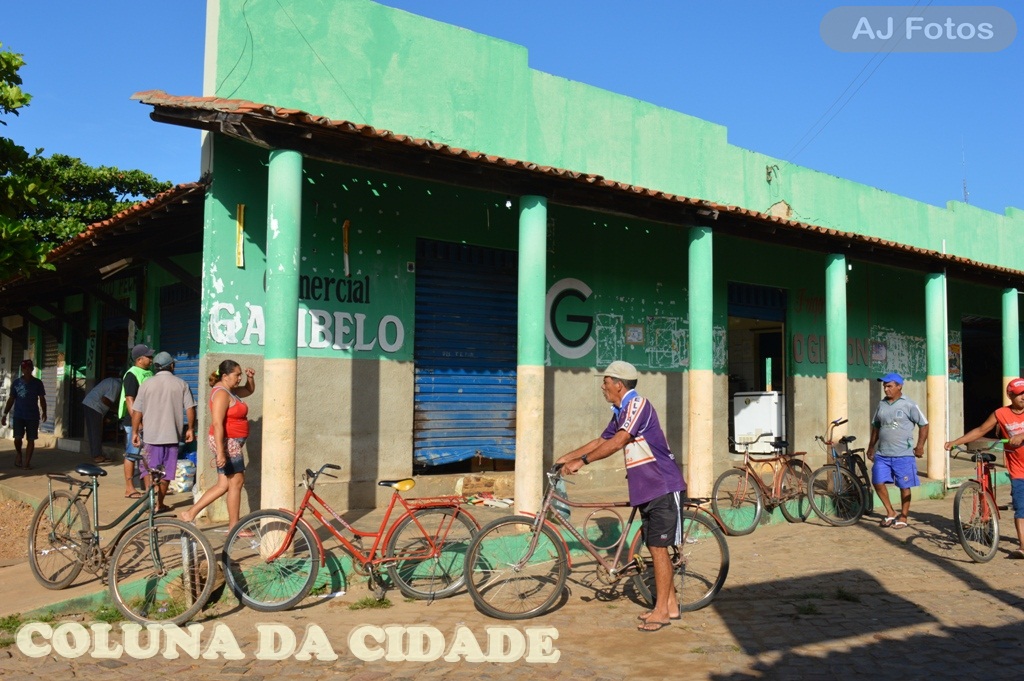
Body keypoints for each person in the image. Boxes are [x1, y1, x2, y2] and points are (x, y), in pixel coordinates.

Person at [556, 360, 686, 632]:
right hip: (646, 488)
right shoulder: (620, 412)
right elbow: (601, 441)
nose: (602, 387)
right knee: (655, 547)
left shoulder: (638, 404)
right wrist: (567, 457)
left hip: (663, 484)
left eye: (605, 382)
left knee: (659, 549)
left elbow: (619, 440)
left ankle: (661, 612)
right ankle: (670, 605)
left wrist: (583, 462)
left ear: (618, 384)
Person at [945, 378, 1024, 559]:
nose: (1023, 397)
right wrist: (956, 442)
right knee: (1021, 507)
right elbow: (981, 430)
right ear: (1010, 395)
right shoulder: (1000, 414)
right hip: (1018, 469)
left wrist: (1021, 435)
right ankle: (1023, 547)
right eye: (1019, 394)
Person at [181, 360, 257, 531]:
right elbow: (217, 423)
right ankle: (234, 526)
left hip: (231, 442)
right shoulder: (222, 393)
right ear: (225, 376)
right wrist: (221, 452)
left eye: (240, 375)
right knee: (236, 482)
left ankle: (191, 513)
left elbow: (249, 390)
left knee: (223, 485)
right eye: (237, 375)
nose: (239, 378)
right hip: (227, 442)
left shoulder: (230, 390)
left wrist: (250, 378)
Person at [131, 351, 196, 513]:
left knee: (148, 470)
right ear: (171, 366)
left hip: (150, 437)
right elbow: (190, 408)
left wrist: (134, 432)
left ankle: (150, 502)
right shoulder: (181, 384)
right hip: (172, 437)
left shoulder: (146, 384)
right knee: (166, 472)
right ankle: (159, 503)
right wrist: (190, 429)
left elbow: (137, 411)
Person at [866, 372, 929, 529]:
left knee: (904, 486)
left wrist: (920, 446)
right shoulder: (882, 405)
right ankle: (890, 512)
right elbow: (876, 426)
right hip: (883, 454)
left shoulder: (909, 404)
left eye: (889, 386)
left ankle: (904, 516)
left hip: (903, 455)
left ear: (899, 386)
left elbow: (924, 424)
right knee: (877, 481)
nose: (886, 389)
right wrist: (871, 446)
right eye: (884, 386)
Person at [118, 344, 154, 498]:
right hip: (134, 423)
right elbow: (129, 400)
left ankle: (150, 487)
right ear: (139, 359)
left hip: (148, 421)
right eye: (148, 357)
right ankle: (129, 488)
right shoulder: (132, 375)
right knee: (132, 454)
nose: (151, 359)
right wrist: (137, 423)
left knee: (147, 455)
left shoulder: (149, 373)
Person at [1, 359, 47, 469]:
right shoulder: (16, 383)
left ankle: (27, 462)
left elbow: (42, 399)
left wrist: (44, 412)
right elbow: (11, 399)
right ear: (22, 369)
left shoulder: (38, 383)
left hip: (33, 416)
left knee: (31, 439)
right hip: (19, 415)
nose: (27, 370)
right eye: (24, 368)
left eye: (29, 368)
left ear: (32, 369)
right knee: (17, 438)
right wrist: (5, 414)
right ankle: (19, 454)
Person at [82, 375, 121, 464]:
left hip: (88, 403)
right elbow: (105, 400)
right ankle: (97, 456)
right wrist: (116, 410)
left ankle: (95, 454)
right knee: (96, 432)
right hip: (95, 406)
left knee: (92, 432)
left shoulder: (110, 380)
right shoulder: (117, 385)